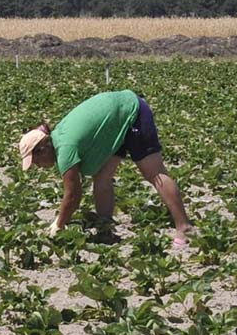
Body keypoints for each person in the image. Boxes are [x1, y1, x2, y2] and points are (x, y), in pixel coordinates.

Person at [18, 90, 196, 249]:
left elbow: (73, 195)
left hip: (132, 111)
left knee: (154, 173)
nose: (38, 167)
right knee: (102, 177)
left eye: (35, 161)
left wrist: (59, 224)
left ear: (43, 149)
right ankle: (105, 230)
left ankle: (184, 227)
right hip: (114, 123)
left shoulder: (64, 149)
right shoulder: (58, 140)